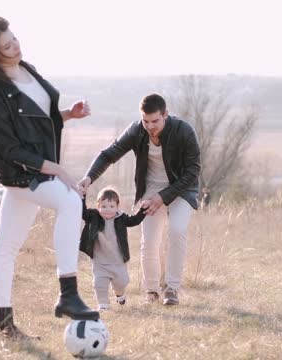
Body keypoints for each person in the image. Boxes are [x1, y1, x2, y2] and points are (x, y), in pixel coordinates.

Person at [0, 15, 99, 339]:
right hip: (23, 176)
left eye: (14, 39)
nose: (16, 46)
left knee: (5, 248)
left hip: (37, 173)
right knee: (71, 201)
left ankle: (2, 326)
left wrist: (69, 114)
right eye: (7, 45)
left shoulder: (27, 70)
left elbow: (37, 122)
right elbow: (11, 148)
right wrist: (55, 168)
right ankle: (68, 293)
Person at [78, 93, 201, 306]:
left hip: (180, 188)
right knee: (150, 241)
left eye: (155, 121)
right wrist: (89, 178)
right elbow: (109, 154)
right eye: (146, 121)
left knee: (177, 231)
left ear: (166, 115)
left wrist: (164, 197)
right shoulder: (137, 130)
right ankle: (152, 291)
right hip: (150, 190)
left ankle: (172, 288)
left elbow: (193, 171)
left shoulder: (184, 131)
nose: (150, 126)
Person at [80, 187, 148, 311]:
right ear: (98, 206)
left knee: (121, 282)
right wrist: (82, 197)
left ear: (117, 207)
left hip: (118, 261)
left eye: (111, 206)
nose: (107, 210)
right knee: (99, 284)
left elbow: (135, 220)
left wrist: (142, 209)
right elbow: (82, 212)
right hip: (100, 261)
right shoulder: (93, 216)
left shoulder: (121, 218)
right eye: (104, 206)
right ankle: (103, 305)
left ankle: (119, 294)